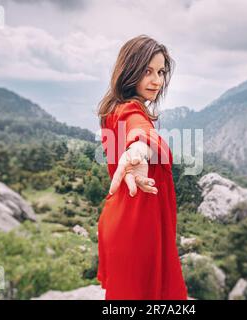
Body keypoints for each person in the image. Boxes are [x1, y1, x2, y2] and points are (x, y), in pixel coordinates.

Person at [96, 34, 188, 300]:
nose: (157, 80)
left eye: (160, 72)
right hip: (136, 229)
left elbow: (137, 132)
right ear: (130, 69)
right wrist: (138, 150)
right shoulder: (129, 111)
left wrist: (137, 149)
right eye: (147, 71)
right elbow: (139, 132)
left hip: (127, 219)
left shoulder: (114, 109)